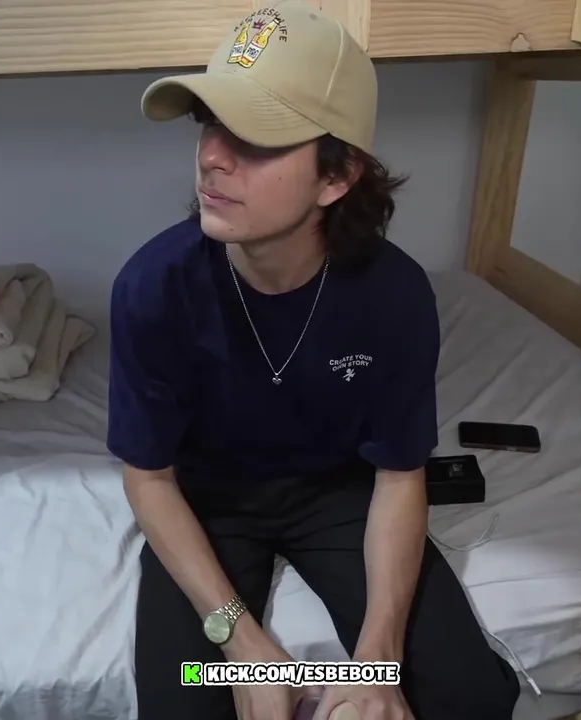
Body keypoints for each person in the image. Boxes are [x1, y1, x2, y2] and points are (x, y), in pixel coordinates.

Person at [106, 2, 521, 718]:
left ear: (337, 176)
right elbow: (148, 478)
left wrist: (377, 667)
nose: (211, 156)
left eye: (254, 139)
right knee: (190, 693)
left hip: (340, 491)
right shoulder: (154, 288)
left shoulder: (393, 296)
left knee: (469, 693)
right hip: (208, 501)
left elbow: (399, 475)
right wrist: (246, 648)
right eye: (208, 123)